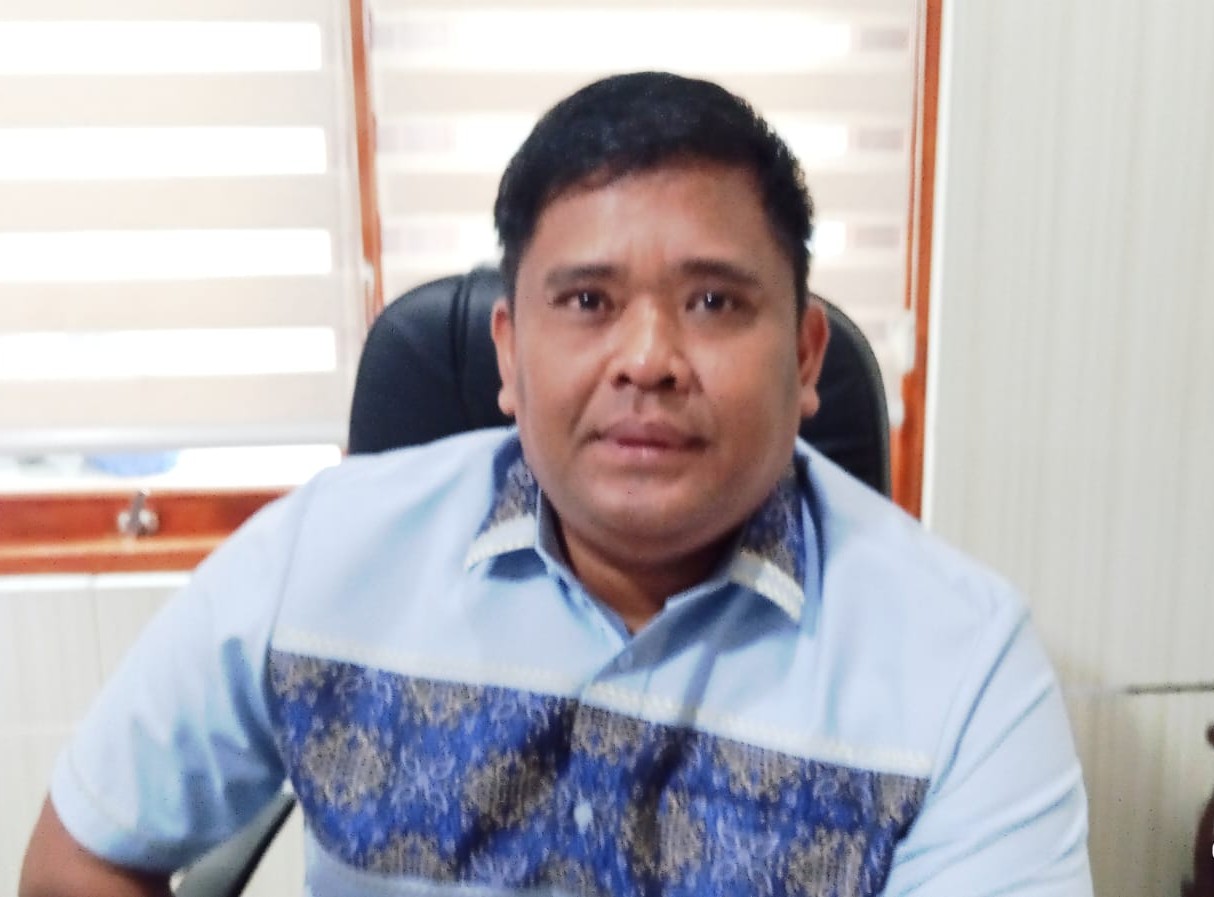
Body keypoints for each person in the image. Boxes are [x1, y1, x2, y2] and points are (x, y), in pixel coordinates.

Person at [20, 71, 1093, 897]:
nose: (648, 360)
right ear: (507, 351)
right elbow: (80, 859)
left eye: (714, 303)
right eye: (587, 302)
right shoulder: (315, 560)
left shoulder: (961, 667)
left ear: (805, 356)